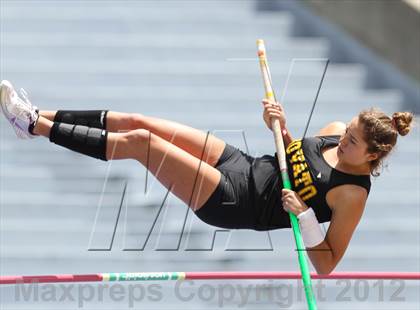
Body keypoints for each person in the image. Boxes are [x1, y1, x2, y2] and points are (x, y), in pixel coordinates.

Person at [0, 80, 414, 274]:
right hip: (244, 164)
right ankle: (36, 115)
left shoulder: (352, 195)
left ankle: (34, 126)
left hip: (236, 201)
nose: (344, 141)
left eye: (354, 144)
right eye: (349, 134)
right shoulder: (338, 129)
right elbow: (293, 158)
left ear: (373, 156)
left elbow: (326, 264)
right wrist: (280, 126)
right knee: (139, 120)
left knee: (142, 143)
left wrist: (305, 216)